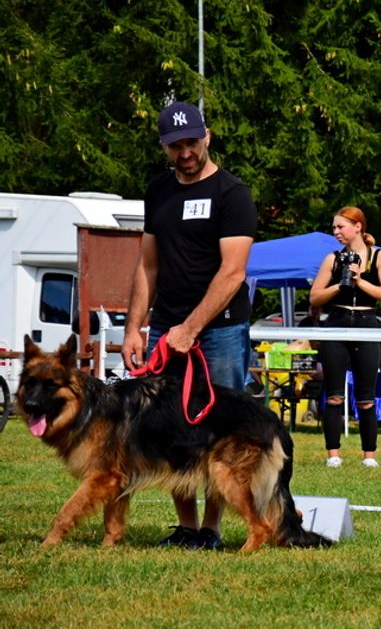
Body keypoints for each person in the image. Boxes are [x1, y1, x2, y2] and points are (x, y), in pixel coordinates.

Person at [122, 101, 258, 551]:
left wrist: (191, 328)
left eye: (190, 142)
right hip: (165, 328)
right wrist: (133, 329)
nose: (184, 152)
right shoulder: (158, 191)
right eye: (174, 145)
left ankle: (213, 530)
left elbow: (233, 273)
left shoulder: (231, 193)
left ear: (208, 137)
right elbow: (147, 267)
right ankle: (187, 527)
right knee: (168, 429)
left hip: (219, 330)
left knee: (219, 430)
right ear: (164, 147)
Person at [308, 207, 381, 468]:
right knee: (334, 394)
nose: (336, 232)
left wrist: (359, 281)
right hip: (336, 323)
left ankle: (369, 455)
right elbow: (315, 297)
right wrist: (340, 284)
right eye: (334, 228)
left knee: (366, 396)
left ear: (357, 226)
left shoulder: (379, 256)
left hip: (367, 324)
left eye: (340, 227)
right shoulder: (331, 259)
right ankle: (333, 455)